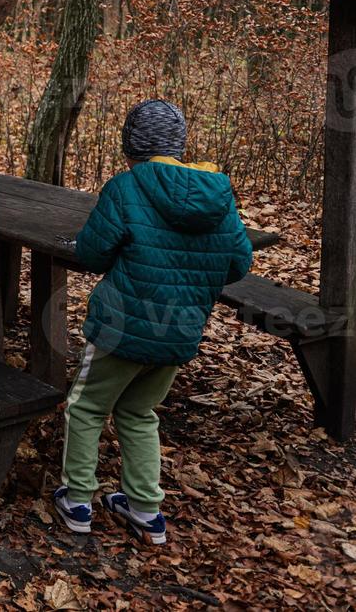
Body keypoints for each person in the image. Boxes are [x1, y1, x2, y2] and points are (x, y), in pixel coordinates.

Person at [52, 100, 252, 545]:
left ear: (132, 148)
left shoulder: (126, 187)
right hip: (181, 327)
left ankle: (78, 501)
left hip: (122, 325)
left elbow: (91, 253)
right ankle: (145, 508)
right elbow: (238, 262)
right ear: (179, 147)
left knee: (86, 407)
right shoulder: (218, 194)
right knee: (140, 412)